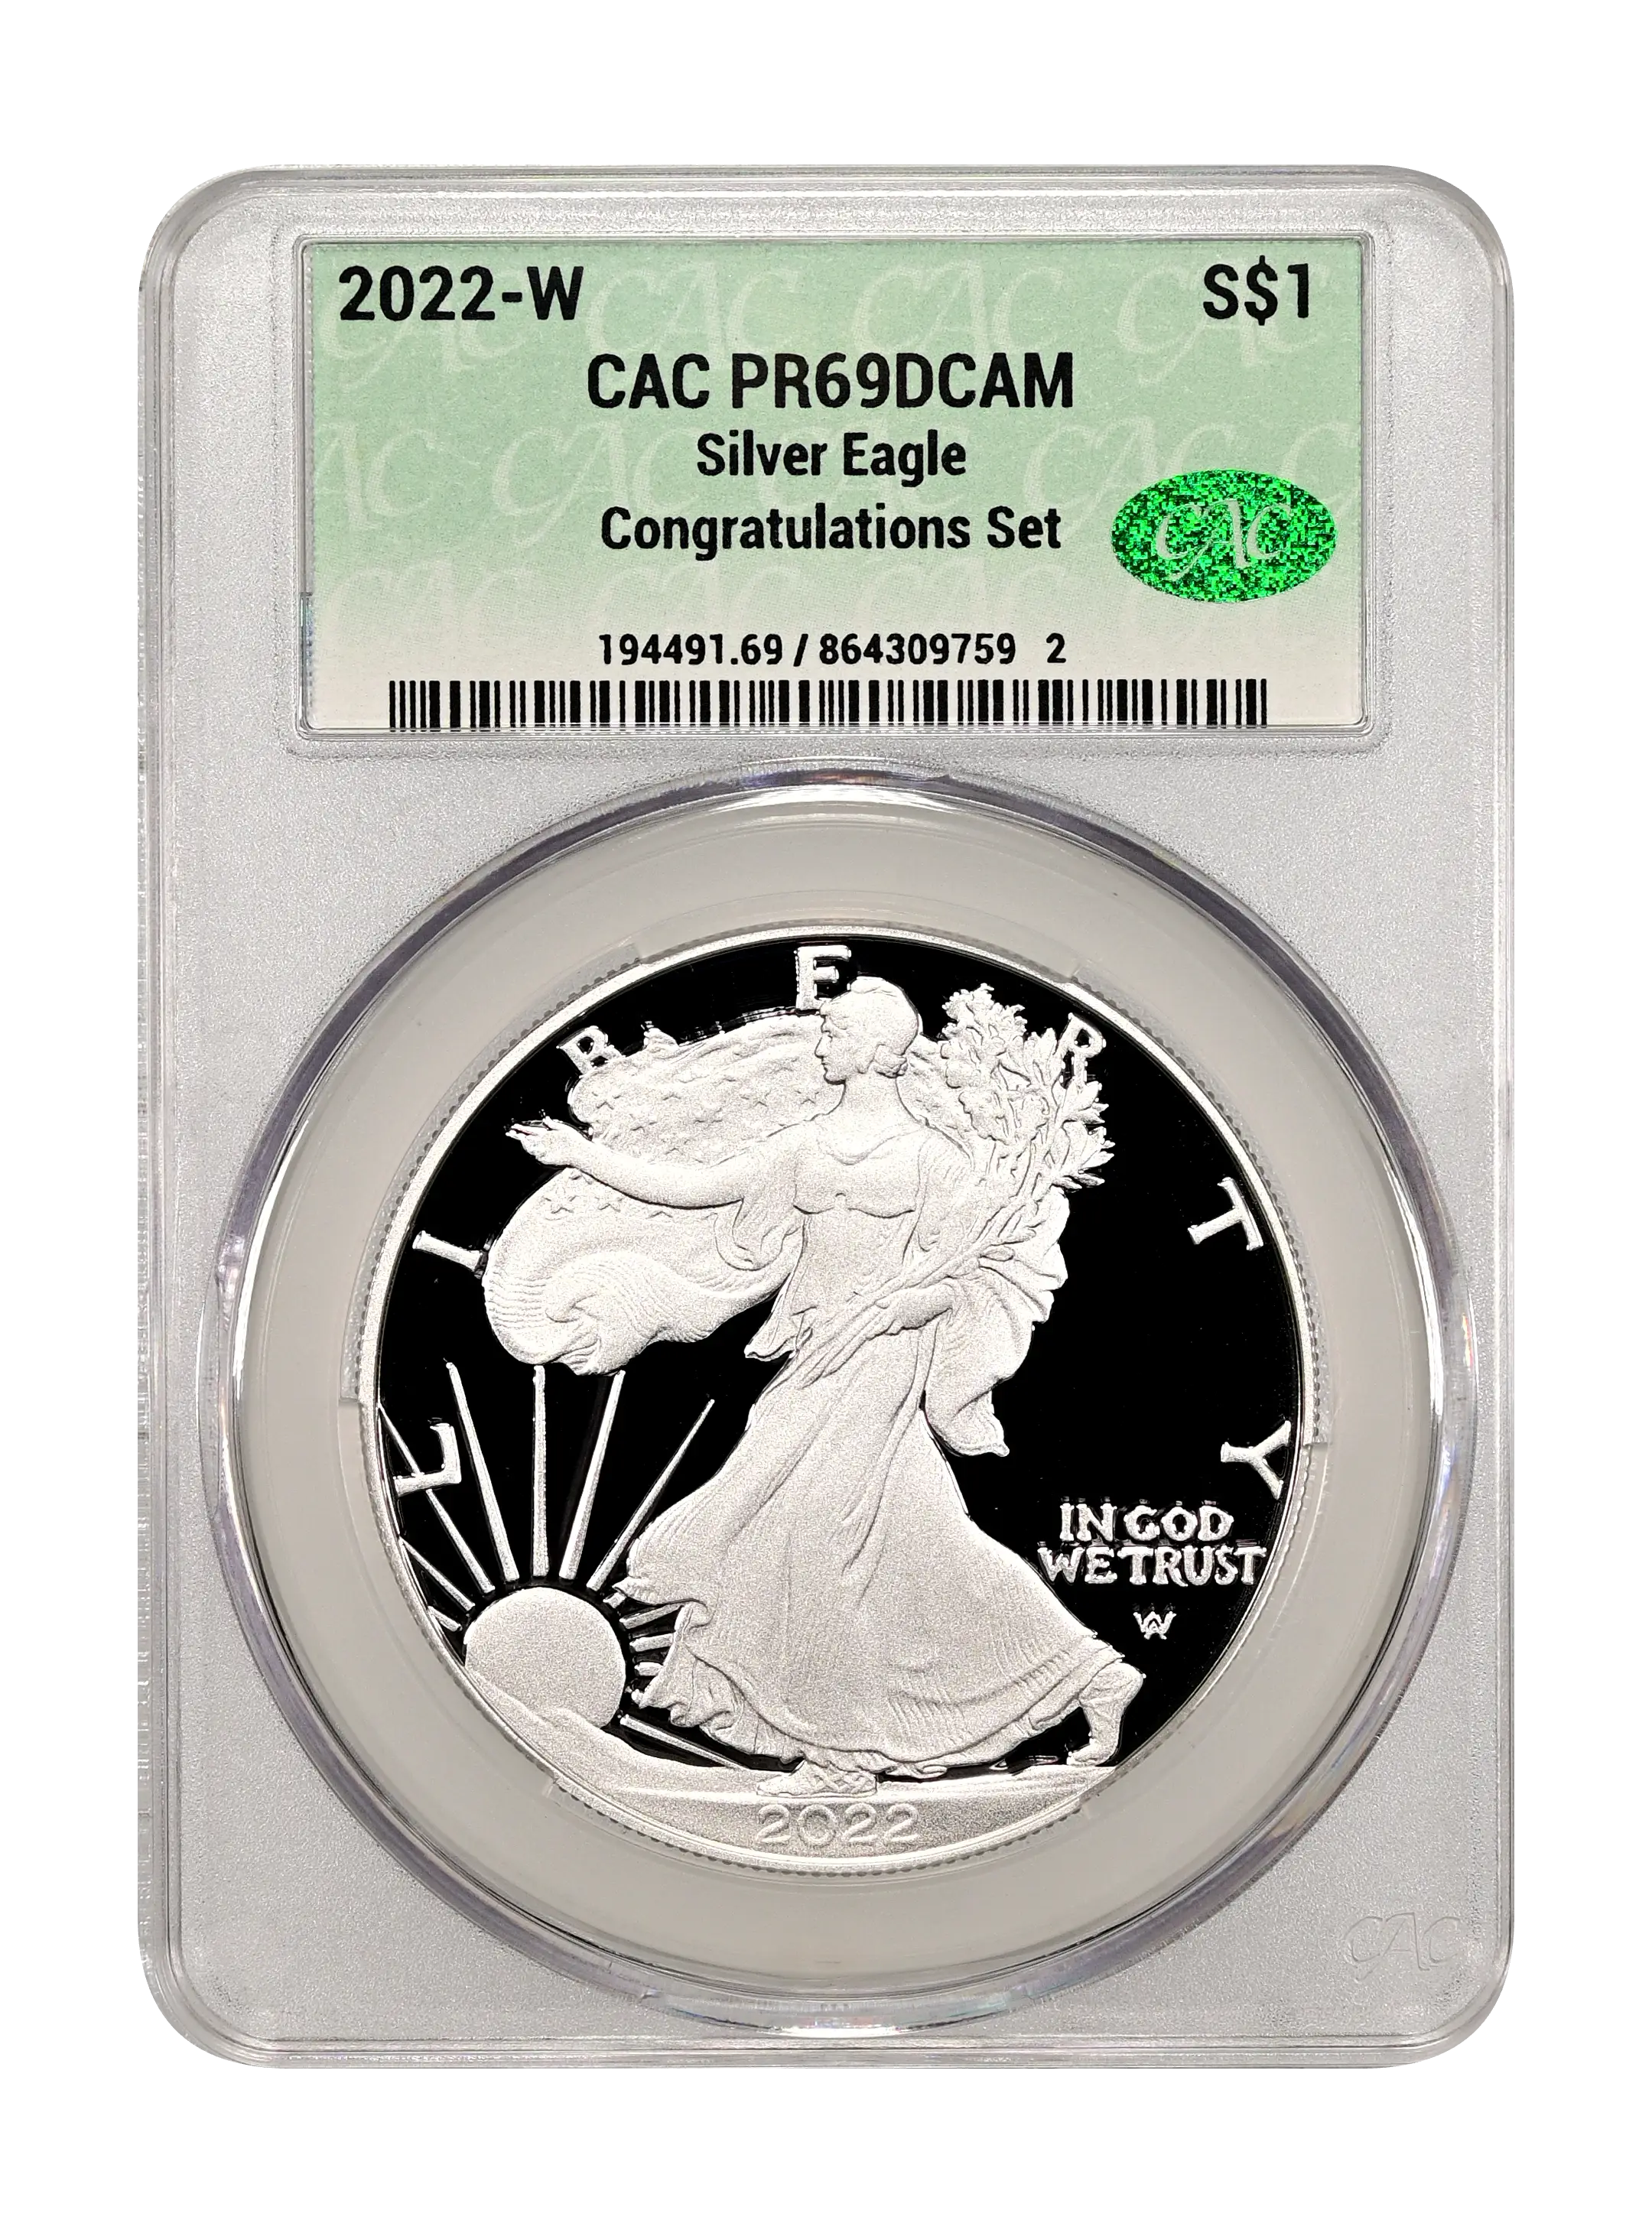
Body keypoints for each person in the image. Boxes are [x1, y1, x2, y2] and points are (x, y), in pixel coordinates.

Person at [514, 977, 1141, 1793]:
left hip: (883, 1356)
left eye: (836, 1031)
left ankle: (841, 1758)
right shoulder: (803, 1146)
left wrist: (904, 1307)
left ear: (878, 1050)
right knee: (917, 1539)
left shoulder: (933, 1159)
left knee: (816, 1531)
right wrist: (584, 1156)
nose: (821, 1042)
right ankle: (1093, 1676)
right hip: (816, 1353)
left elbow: (973, 1274)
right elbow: (700, 1188)